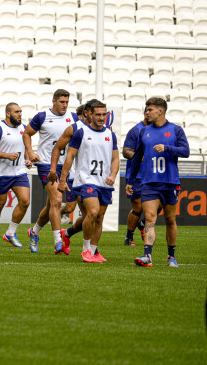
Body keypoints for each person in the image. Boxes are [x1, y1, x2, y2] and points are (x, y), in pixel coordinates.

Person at [127, 97, 189, 268]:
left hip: (169, 182)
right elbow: (136, 159)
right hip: (148, 183)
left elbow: (185, 151)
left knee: (170, 219)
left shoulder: (176, 130)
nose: (146, 112)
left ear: (160, 111)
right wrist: (131, 180)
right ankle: (147, 255)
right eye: (146, 110)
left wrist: (167, 148)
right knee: (150, 218)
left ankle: (171, 257)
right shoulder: (143, 131)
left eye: (150, 109)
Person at [58, 101, 119, 263]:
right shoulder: (81, 132)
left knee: (99, 217)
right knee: (92, 212)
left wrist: (113, 174)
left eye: (103, 114)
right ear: (90, 114)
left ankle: (93, 251)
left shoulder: (110, 134)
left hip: (104, 182)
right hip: (85, 181)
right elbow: (69, 156)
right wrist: (63, 180)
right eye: (97, 114)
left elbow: (115, 158)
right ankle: (85, 250)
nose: (101, 117)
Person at [23, 89, 77, 254]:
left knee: (62, 206)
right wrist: (31, 152)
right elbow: (26, 133)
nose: (64, 105)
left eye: (67, 102)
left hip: (66, 166)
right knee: (56, 200)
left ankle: (34, 232)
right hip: (47, 164)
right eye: (62, 102)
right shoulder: (42, 116)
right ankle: (58, 240)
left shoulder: (73, 118)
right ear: (54, 101)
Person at [48, 101, 95, 255]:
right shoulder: (75, 129)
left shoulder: (102, 131)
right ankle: (89, 250)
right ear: (86, 114)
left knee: (90, 215)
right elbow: (59, 149)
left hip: (94, 179)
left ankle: (67, 234)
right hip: (76, 178)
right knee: (79, 211)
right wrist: (59, 175)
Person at [0, 102, 31, 248]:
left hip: (19, 172)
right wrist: (6, 156)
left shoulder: (23, 129)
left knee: (25, 201)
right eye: (16, 112)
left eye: (21, 112)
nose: (19, 115)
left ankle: (10, 233)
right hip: (2, 173)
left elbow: (25, 149)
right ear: (8, 113)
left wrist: (28, 159)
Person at [122, 111, 149, 247]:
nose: (150, 113)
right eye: (148, 110)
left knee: (161, 203)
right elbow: (126, 151)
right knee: (138, 206)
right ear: (145, 113)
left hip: (154, 174)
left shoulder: (160, 131)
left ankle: (142, 223)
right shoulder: (136, 130)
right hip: (137, 175)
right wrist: (139, 157)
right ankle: (129, 237)